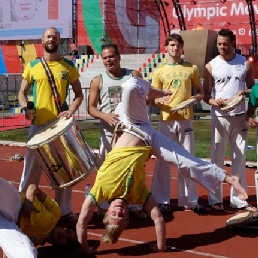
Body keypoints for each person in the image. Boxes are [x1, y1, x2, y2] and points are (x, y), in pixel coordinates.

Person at [76, 77, 248, 255]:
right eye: (122, 216)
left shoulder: (100, 191)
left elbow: (81, 221)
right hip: (150, 139)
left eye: (114, 215)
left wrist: (85, 249)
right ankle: (228, 178)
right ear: (127, 215)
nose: (118, 212)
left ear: (107, 211)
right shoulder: (139, 196)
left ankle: (153, 91)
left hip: (132, 124)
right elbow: (158, 218)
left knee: (129, 86)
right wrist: (161, 247)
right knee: (185, 162)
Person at [18, 27, 83, 219]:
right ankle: (22, 207)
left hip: (59, 126)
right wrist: (25, 108)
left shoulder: (69, 67)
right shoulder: (32, 66)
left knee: (64, 171)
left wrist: (71, 109)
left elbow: (79, 94)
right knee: (30, 171)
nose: (51, 39)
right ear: (42, 40)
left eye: (54, 37)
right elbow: (22, 93)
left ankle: (64, 211)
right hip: (38, 126)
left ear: (59, 40)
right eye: (48, 36)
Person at [150, 33, 206, 215]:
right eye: (171, 45)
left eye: (177, 45)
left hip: (185, 119)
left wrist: (196, 99)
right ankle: (162, 200)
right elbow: (152, 99)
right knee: (164, 160)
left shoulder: (192, 68)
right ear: (165, 48)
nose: (174, 48)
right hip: (166, 119)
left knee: (188, 160)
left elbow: (200, 92)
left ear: (182, 48)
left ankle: (190, 201)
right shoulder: (159, 72)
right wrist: (159, 102)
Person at [88, 43, 146, 218]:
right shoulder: (98, 80)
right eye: (105, 58)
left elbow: (146, 99)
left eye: (111, 57)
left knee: (133, 169)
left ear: (119, 57)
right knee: (106, 171)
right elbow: (91, 108)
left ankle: (135, 205)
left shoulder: (134, 75)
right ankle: (104, 206)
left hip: (131, 134)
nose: (108, 60)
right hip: (108, 134)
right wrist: (105, 116)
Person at [203, 28, 255, 211]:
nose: (222, 47)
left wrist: (245, 93)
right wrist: (213, 101)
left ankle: (239, 199)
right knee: (217, 158)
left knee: (239, 159)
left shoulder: (245, 64)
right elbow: (205, 94)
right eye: (219, 44)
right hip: (220, 117)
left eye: (225, 43)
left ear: (233, 42)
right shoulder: (211, 66)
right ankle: (214, 198)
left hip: (240, 117)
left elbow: (252, 89)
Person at [0, 178, 78, 258]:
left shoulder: (32, 244)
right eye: (67, 232)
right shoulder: (56, 213)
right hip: (16, 205)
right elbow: (33, 187)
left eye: (67, 240)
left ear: (62, 247)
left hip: (8, 225)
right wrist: (29, 202)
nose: (64, 235)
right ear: (64, 228)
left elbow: (11, 244)